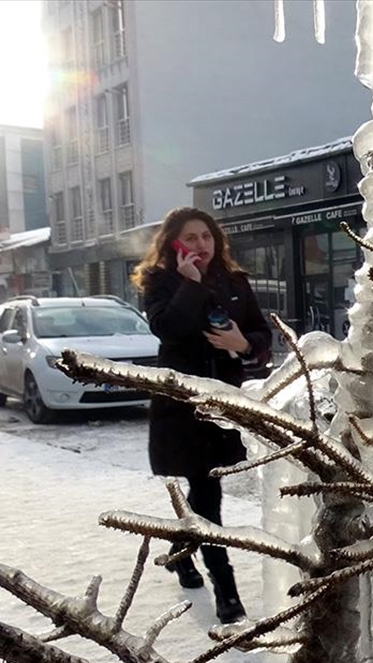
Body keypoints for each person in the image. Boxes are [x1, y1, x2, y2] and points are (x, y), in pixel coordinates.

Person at [130, 207, 271, 624]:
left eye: (206, 237)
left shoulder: (236, 282)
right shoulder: (159, 284)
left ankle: (180, 553)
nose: (200, 245)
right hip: (181, 406)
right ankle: (226, 592)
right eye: (190, 238)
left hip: (223, 405)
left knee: (204, 487)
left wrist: (243, 342)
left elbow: (262, 336)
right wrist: (189, 285)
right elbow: (168, 329)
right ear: (174, 243)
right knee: (207, 492)